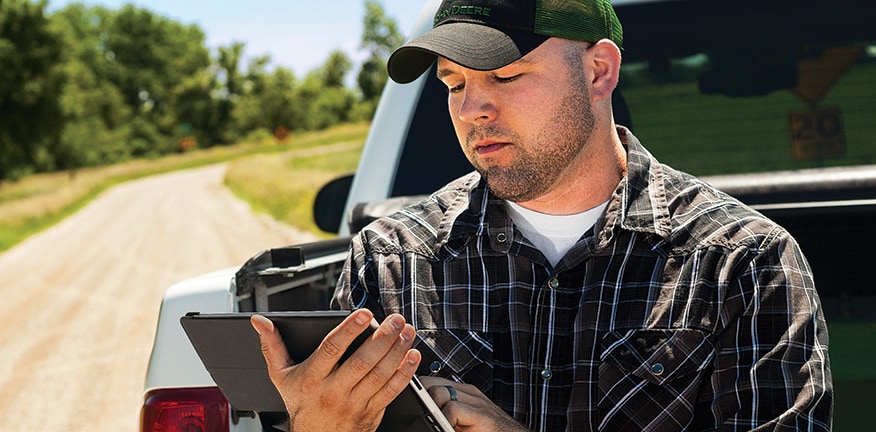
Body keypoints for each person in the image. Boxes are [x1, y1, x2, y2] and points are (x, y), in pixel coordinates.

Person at [251, 0, 833, 430]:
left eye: (505, 76)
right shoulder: (391, 262)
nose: (472, 109)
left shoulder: (744, 263)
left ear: (600, 71)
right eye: (453, 85)